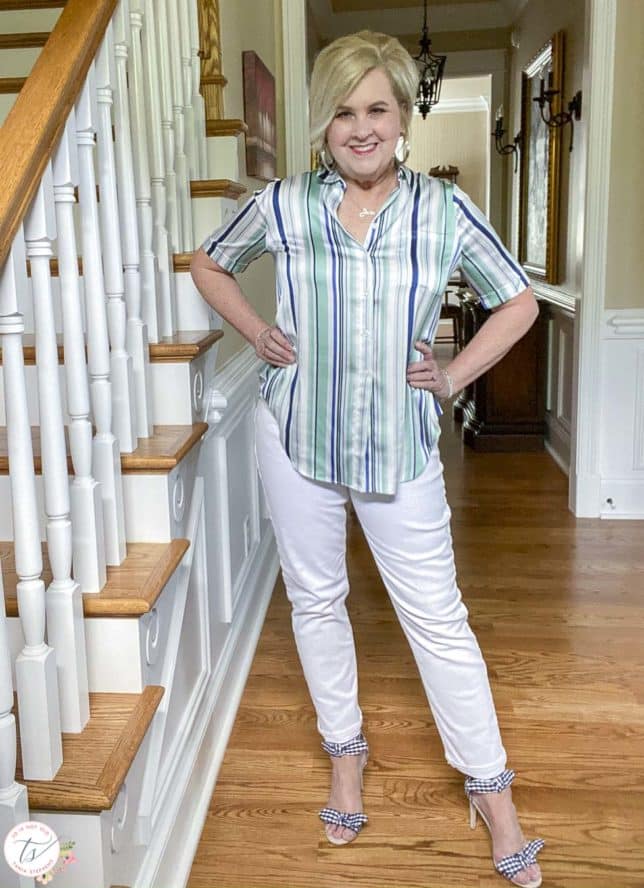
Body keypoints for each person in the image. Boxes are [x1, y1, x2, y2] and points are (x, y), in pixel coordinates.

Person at [191, 30, 544, 888]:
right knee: (316, 600)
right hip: (297, 435)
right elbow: (209, 264)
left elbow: (519, 303)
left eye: (377, 108)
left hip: (399, 446)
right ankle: (345, 755)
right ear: (324, 123)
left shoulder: (442, 210)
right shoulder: (283, 203)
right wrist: (258, 332)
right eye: (343, 111)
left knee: (437, 620)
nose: (360, 127)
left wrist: (453, 374)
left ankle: (493, 794)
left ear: (401, 119)